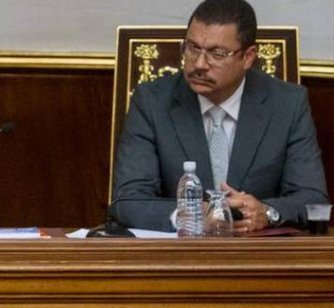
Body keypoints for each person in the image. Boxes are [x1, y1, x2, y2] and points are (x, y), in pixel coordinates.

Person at [110, 0, 328, 233]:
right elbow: (128, 201)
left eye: (217, 53)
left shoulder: (287, 104)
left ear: (248, 57)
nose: (200, 64)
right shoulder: (152, 102)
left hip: (260, 257)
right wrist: (190, 217)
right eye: (192, 48)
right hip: (177, 258)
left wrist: (267, 212)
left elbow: (312, 198)